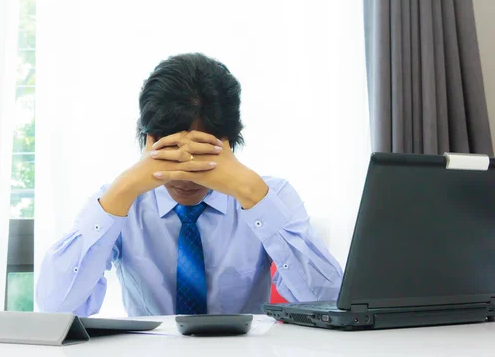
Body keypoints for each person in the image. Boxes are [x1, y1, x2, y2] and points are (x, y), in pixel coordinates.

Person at [36, 53, 343, 317]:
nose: (186, 175)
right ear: (149, 141)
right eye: (172, 154)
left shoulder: (269, 195)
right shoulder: (120, 200)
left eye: (201, 154)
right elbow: (55, 310)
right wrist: (121, 192)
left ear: (229, 145)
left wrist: (253, 193)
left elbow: (329, 305)